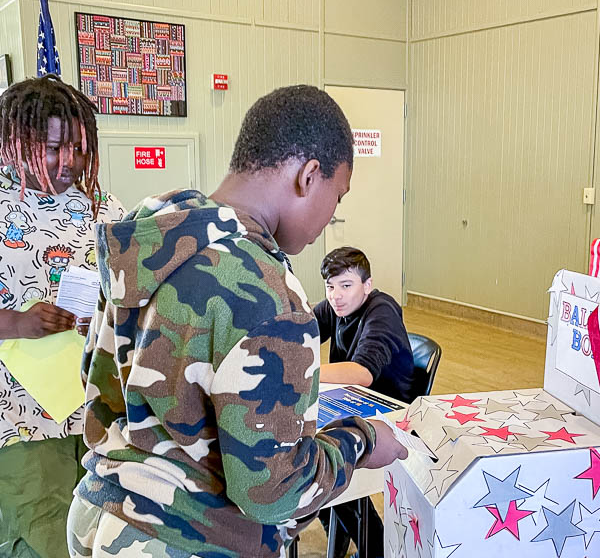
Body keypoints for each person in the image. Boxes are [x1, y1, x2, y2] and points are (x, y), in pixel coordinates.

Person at [66, 85, 408, 558]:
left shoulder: (153, 233)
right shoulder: (268, 290)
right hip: (184, 540)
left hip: (99, 511)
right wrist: (362, 441)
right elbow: (273, 492)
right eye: (337, 195)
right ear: (309, 176)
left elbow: (96, 375)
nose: (333, 214)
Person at [0, 74, 125, 558]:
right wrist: (16, 323)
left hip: (97, 409)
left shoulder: (99, 204)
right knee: (41, 542)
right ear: (15, 141)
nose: (67, 161)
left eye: (77, 147)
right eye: (52, 148)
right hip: (21, 420)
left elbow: (131, 289)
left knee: (101, 539)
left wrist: (103, 311)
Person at [314, 246, 414, 558]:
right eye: (330, 287)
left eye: (346, 286)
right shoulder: (337, 305)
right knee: (310, 453)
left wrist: (303, 372)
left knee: (324, 463)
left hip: (389, 413)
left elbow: (363, 373)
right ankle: (340, 533)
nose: (336, 296)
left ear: (366, 286)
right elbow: (299, 332)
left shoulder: (380, 310)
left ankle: (376, 549)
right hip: (351, 403)